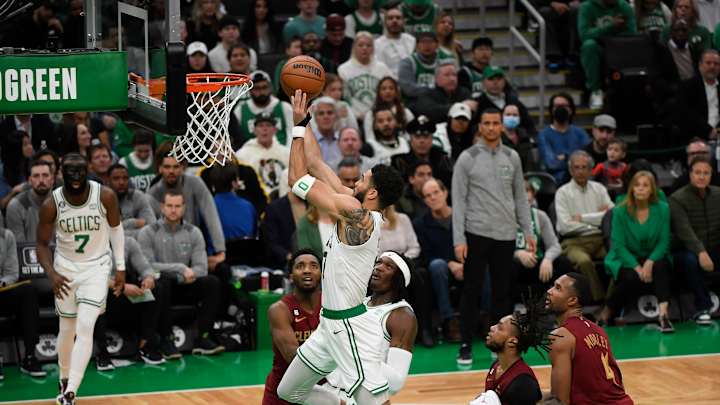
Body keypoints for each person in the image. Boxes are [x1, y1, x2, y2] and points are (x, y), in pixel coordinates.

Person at [277, 89, 404, 404]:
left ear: (372, 193)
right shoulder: (352, 204)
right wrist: (305, 119)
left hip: (349, 327)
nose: (357, 179)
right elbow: (315, 162)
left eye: (364, 178)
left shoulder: (357, 215)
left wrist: (296, 128)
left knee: (374, 401)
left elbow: (296, 178)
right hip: (328, 324)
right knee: (288, 391)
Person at [36, 153, 126, 405]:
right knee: (67, 329)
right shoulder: (52, 204)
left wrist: (120, 266)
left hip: (97, 267)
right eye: (70, 171)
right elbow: (41, 244)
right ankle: (64, 377)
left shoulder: (105, 196)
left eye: (80, 171)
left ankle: (71, 390)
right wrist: (51, 273)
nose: (76, 176)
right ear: (61, 173)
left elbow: (116, 229)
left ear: (88, 170)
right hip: (65, 269)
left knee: (86, 325)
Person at [452, 108, 534, 366]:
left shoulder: (512, 156)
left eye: (495, 123)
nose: (491, 127)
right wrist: (458, 239)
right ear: (480, 126)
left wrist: (528, 230)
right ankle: (466, 344)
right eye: (486, 123)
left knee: (502, 292)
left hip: (506, 233)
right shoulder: (467, 158)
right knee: (471, 290)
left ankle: (500, 345)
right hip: (476, 232)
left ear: (501, 126)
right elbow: (458, 201)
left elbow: (520, 197)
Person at [139, 190, 225, 358]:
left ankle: (203, 338)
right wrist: (179, 268)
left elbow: (201, 268)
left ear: (184, 208)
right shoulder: (148, 232)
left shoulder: (193, 232)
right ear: (162, 207)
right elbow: (147, 266)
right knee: (163, 281)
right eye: (169, 206)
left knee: (212, 282)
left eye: (177, 206)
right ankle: (167, 340)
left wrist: (182, 277)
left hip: (185, 284)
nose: (173, 210)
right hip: (161, 287)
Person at [325, 252, 418, 401]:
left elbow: (396, 382)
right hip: (329, 391)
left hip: (362, 398)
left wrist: (351, 350)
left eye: (388, 266)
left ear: (399, 279)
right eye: (378, 262)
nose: (378, 268)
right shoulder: (357, 303)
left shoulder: (401, 316)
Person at [601, 171, 674, 332]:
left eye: (645, 185)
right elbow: (618, 245)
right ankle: (608, 310)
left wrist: (649, 262)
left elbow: (664, 241)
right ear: (631, 189)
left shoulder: (663, 209)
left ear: (652, 190)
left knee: (661, 266)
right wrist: (637, 267)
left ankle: (664, 316)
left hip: (654, 255)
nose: (640, 188)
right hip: (628, 256)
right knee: (631, 277)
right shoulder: (620, 211)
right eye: (637, 185)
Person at [546, 273, 634, 405]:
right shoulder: (599, 331)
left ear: (572, 300)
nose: (549, 291)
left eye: (557, 288)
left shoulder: (559, 337)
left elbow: (559, 401)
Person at [147, 151, 226, 271]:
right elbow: (151, 231)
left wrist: (220, 250)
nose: (171, 171)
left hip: (194, 248)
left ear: (183, 167)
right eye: (167, 167)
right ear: (160, 168)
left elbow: (211, 215)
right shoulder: (152, 193)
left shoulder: (195, 183)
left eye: (176, 167)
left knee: (222, 269)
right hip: (164, 256)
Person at [263, 249, 322, 405]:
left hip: (323, 391)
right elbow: (294, 359)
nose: (307, 270)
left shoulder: (331, 304)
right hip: (284, 394)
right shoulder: (279, 310)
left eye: (314, 266)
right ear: (290, 276)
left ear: (322, 274)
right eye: (300, 266)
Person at [555, 151, 614, 302]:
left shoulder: (599, 189)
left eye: (584, 167)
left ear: (590, 170)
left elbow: (612, 216)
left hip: (600, 239)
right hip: (573, 242)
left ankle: (613, 301)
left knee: (617, 257)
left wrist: (582, 218)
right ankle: (600, 301)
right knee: (584, 261)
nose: (580, 171)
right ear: (570, 170)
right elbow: (565, 227)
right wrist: (597, 220)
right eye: (576, 167)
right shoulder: (562, 193)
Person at [670, 156, 720, 325]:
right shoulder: (677, 198)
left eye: (706, 173)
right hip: (685, 249)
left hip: (714, 246)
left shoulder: (718, 194)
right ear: (690, 174)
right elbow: (684, 231)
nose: (702, 177)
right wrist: (701, 252)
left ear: (711, 175)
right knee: (690, 260)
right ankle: (703, 307)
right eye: (697, 172)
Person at [413, 178, 462, 344]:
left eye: (436, 192)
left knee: (482, 263)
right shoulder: (420, 224)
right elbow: (426, 256)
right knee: (437, 265)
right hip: (440, 269)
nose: (433, 197)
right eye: (428, 196)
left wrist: (466, 263)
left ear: (445, 193)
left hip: (466, 263)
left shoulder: (463, 217)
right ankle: (449, 321)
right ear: (425, 201)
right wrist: (450, 263)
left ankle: (486, 316)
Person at [471, 302, 549, 405]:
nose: (492, 327)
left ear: (512, 342)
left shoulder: (523, 384)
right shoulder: (496, 365)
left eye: (500, 328)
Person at [0, 224, 46, 378]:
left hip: (2, 291)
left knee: (28, 291)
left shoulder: (6, 236)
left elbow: (12, 273)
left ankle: (30, 357)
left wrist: (3, 283)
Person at [513, 180, 573, 292]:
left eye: (529, 201)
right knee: (510, 264)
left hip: (537, 261)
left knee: (564, 262)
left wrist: (548, 259)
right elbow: (497, 249)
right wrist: (518, 253)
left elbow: (555, 246)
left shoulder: (540, 216)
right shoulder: (505, 217)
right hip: (515, 263)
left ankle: (558, 297)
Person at [578, 0, 637, 109]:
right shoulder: (587, 7)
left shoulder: (623, 5)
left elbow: (632, 33)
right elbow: (584, 35)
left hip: (618, 45)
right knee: (589, 45)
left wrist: (607, 35)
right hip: (599, 47)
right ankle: (596, 91)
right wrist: (611, 26)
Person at [338, 32, 394, 120]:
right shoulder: (343, 69)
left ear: (373, 48)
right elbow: (344, 98)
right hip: (354, 118)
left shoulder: (382, 68)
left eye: (368, 45)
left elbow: (392, 91)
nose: (364, 48)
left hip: (379, 117)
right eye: (360, 45)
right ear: (354, 47)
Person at [231, 71, 294, 148]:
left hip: (281, 152)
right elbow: (236, 137)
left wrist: (287, 153)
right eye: (257, 88)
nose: (261, 92)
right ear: (250, 90)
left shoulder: (285, 107)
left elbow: (291, 134)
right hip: (250, 153)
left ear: (270, 88)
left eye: (264, 87)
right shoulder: (240, 110)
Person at [538, 93, 591, 184]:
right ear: (551, 110)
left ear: (570, 110)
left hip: (582, 179)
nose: (560, 109)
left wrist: (564, 157)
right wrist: (575, 158)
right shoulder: (544, 135)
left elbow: (588, 159)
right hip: (557, 182)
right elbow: (551, 164)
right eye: (557, 106)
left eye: (564, 106)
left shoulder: (580, 133)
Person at [235, 113, 290, 198]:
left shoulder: (286, 153)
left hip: (284, 199)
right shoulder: (242, 155)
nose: (265, 129)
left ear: (275, 130)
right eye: (260, 126)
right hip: (257, 199)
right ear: (254, 130)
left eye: (268, 125)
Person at [392, 115, 453, 189]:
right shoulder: (400, 162)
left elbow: (449, 185)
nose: (422, 141)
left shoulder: (442, 159)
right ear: (411, 140)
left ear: (431, 139)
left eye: (426, 136)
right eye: (417, 137)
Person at [475, 66, 536, 138]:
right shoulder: (478, 103)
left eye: (499, 79)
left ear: (504, 81)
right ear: (483, 82)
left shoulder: (513, 101)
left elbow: (529, 125)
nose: (495, 82)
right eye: (491, 79)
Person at [398, 31, 455, 102]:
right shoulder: (407, 62)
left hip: (441, 100)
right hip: (414, 102)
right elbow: (408, 89)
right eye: (423, 42)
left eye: (430, 42)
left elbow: (451, 85)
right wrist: (434, 91)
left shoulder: (446, 60)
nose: (427, 45)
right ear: (417, 46)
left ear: (437, 45)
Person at [5, 161, 54, 242]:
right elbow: (19, 246)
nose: (41, 180)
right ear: (30, 180)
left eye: (45, 175)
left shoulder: (62, 203)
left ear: (52, 179)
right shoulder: (16, 205)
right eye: (36, 176)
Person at [678, 49, 720, 139]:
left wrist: (717, 132)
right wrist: (708, 131)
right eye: (708, 63)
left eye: (716, 64)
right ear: (700, 66)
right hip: (695, 137)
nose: (712, 67)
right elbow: (686, 114)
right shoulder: (688, 86)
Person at [107, 164, 156, 239]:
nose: (121, 182)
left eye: (125, 178)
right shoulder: (101, 199)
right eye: (116, 179)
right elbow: (107, 233)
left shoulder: (137, 196)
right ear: (108, 181)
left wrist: (121, 228)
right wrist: (133, 223)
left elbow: (152, 226)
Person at [363, 76, 415, 143]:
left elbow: (412, 135)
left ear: (396, 92)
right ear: (378, 92)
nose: (388, 91)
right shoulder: (371, 114)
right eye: (384, 89)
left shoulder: (405, 112)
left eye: (391, 88)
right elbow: (369, 138)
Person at [538, 0, 581, 70]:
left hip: (570, 5)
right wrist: (551, 3)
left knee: (577, 9)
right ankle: (554, 56)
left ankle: (573, 54)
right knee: (545, 12)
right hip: (548, 5)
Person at [374, 8, 416, 77]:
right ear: (385, 23)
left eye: (398, 18)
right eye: (390, 18)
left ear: (403, 22)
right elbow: (379, 70)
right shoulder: (377, 44)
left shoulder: (412, 40)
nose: (394, 21)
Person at [310, 97, 343, 169]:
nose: (326, 117)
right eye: (321, 113)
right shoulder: (308, 141)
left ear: (336, 116)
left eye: (330, 113)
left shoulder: (344, 139)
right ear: (315, 118)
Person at [118, 129, 155, 193]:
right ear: (134, 147)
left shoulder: (157, 160)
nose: (143, 155)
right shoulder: (124, 162)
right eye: (139, 151)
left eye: (147, 151)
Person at [501, 104, 537, 172]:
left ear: (519, 118)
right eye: (508, 114)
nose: (511, 117)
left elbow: (529, 162)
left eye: (515, 115)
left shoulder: (524, 137)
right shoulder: (497, 138)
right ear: (502, 117)